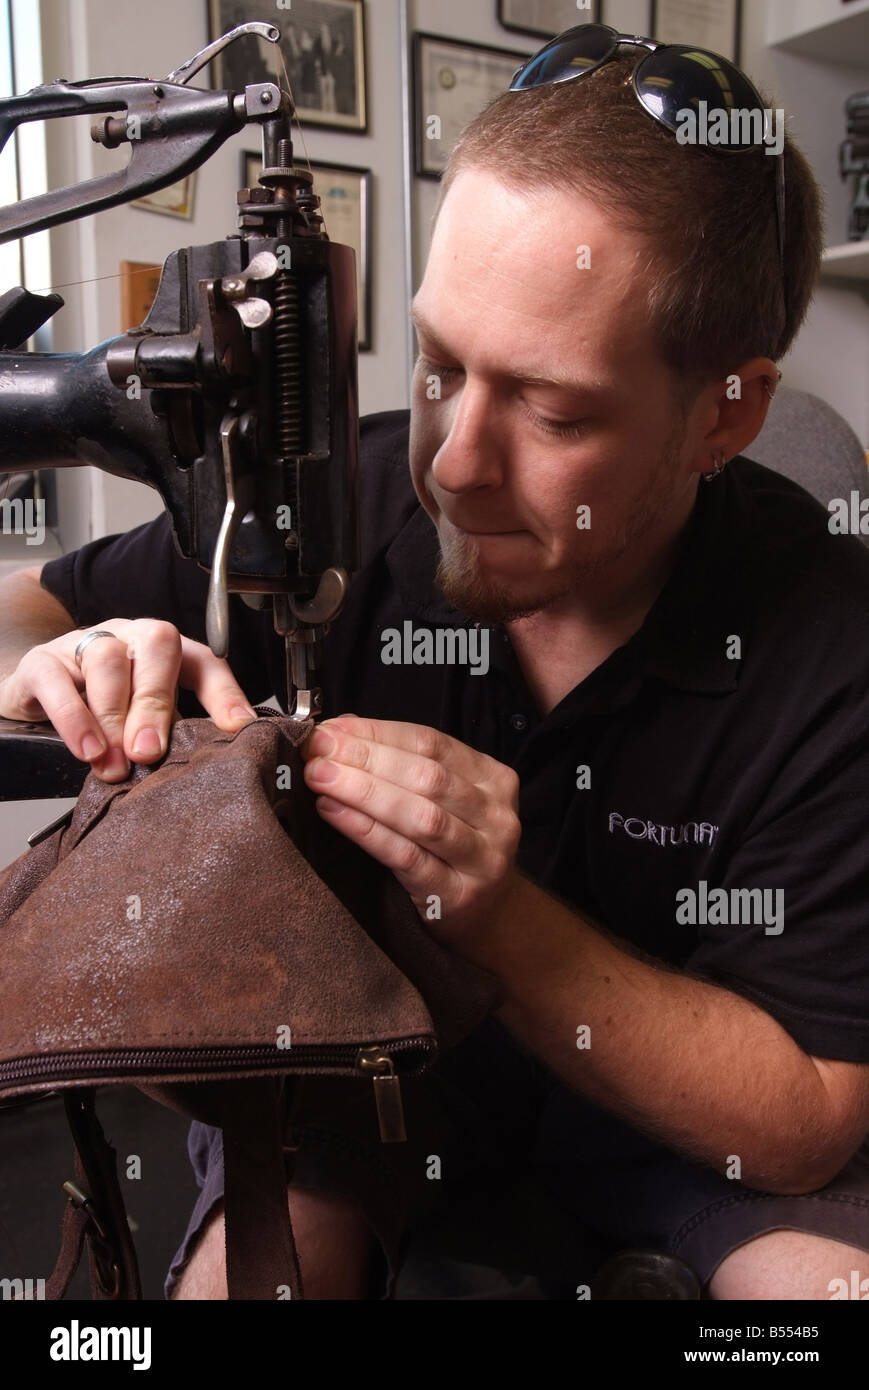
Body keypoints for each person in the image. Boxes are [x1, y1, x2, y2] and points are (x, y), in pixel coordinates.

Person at [2, 29, 869, 1301]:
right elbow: (17, 611)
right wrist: (69, 659)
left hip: (683, 1117)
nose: (454, 463)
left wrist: (491, 912)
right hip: (365, 1073)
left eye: (554, 410)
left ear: (725, 411)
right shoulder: (324, 494)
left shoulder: (829, 637)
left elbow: (800, 1116)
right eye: (440, 364)